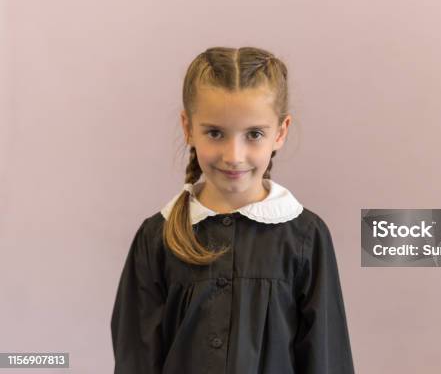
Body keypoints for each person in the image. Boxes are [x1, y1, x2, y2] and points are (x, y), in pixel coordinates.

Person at [110, 47, 355, 373]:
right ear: (188, 128)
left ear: (280, 132)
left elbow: (326, 359)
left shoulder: (306, 237)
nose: (234, 155)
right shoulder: (156, 238)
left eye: (254, 134)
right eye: (215, 133)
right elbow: (135, 361)